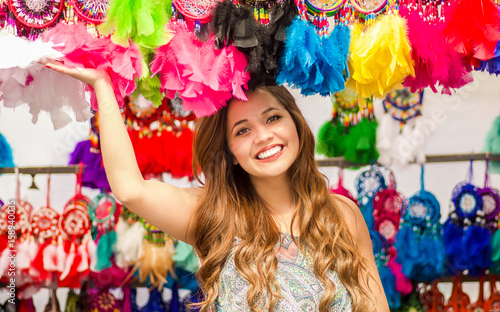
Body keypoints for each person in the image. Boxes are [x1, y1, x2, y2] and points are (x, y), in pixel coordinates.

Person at [45, 62, 389, 312]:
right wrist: (103, 87)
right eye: (242, 131)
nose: (263, 136)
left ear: (295, 125)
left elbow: (375, 306)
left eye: (272, 118)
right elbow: (131, 190)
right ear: (232, 154)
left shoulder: (342, 214)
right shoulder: (216, 215)